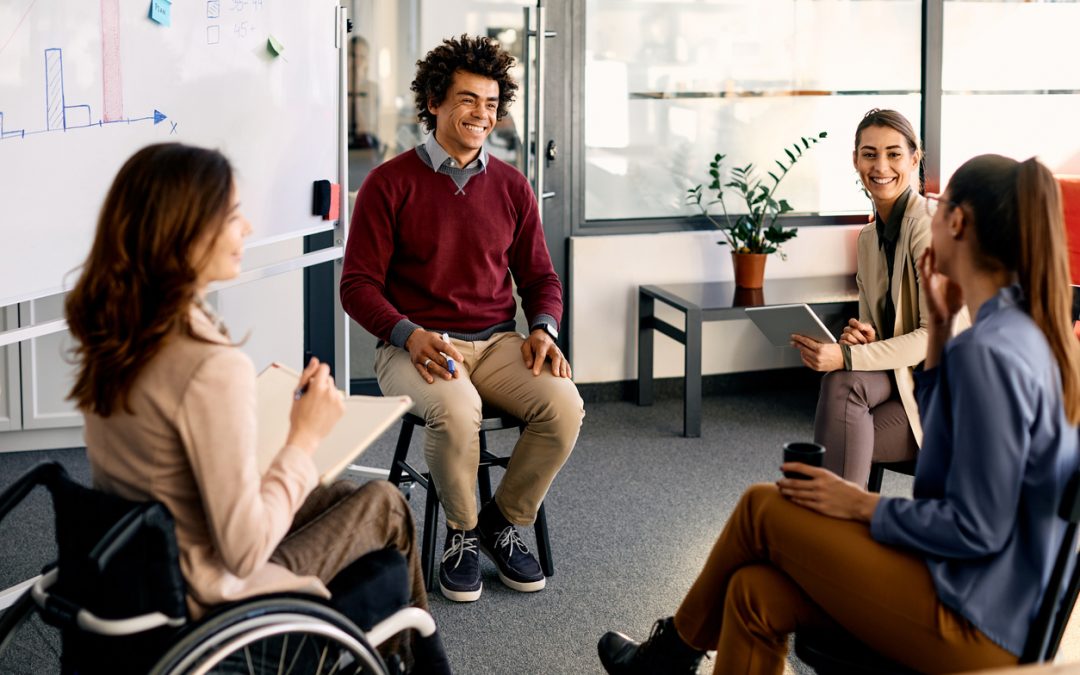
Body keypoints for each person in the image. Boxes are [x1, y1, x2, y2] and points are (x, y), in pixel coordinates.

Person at [597, 153, 1080, 674]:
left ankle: (665, 660)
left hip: (973, 619)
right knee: (752, 591)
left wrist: (858, 504)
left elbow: (973, 528)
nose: (930, 214)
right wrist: (939, 328)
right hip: (984, 597)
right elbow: (940, 477)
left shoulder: (990, 351)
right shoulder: (1020, 331)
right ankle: (667, 659)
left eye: (938, 207)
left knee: (763, 506)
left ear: (958, 222)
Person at [64, 143, 449, 673]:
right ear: (183, 231)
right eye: (231, 215)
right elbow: (242, 551)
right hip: (207, 588)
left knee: (336, 493)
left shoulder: (118, 330)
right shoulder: (209, 367)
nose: (246, 228)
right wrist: (303, 438)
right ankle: (418, 657)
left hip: (144, 560)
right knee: (385, 504)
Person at [340, 34, 584, 603]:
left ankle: (502, 519)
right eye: (468, 100)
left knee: (565, 404)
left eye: (492, 105)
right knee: (458, 411)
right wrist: (407, 332)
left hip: (497, 342)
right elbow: (357, 287)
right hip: (412, 345)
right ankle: (463, 532)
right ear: (434, 102)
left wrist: (544, 328)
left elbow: (542, 280)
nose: (482, 115)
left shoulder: (512, 186)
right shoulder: (388, 183)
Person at [791, 109, 965, 488]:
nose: (880, 165)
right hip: (905, 378)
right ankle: (838, 525)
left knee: (843, 401)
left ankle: (832, 523)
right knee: (841, 385)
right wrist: (860, 338)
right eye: (869, 154)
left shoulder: (930, 228)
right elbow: (876, 331)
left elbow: (935, 336)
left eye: (893, 154)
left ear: (915, 159)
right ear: (855, 160)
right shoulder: (869, 240)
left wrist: (847, 355)